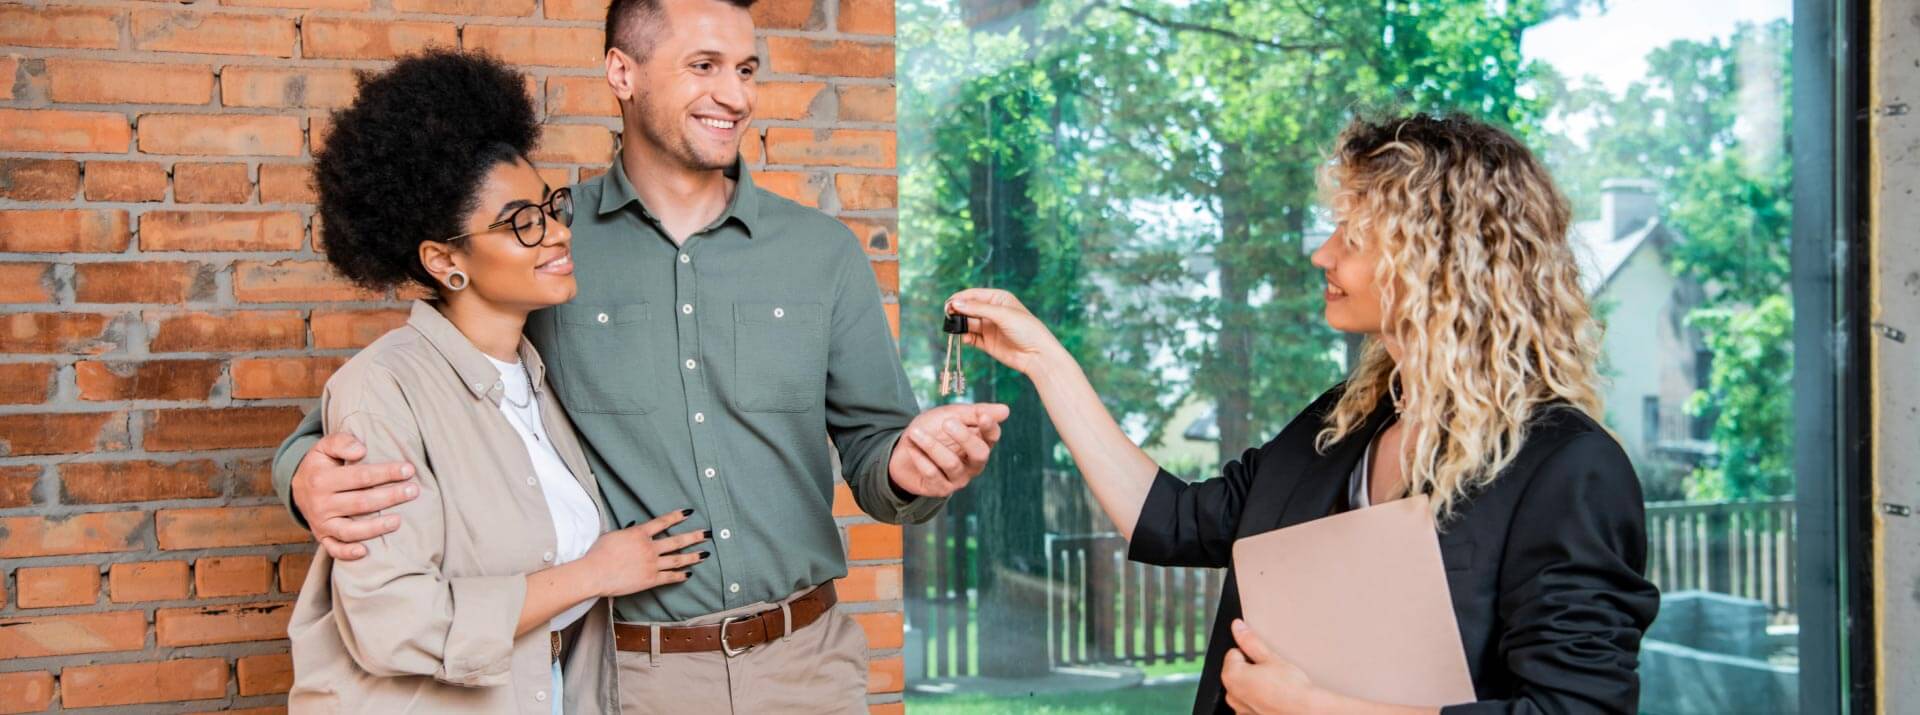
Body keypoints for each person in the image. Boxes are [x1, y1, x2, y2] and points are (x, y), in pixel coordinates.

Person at [270, 0, 1010, 710]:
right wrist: (300, 468)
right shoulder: (548, 250)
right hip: (630, 677)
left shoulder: (822, 254)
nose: (734, 95)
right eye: (705, 65)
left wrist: (910, 468)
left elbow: (879, 453)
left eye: (746, 70)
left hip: (807, 666)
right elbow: (423, 379)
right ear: (622, 73)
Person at [945, 113, 1660, 714]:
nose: (1323, 252)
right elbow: (1173, 520)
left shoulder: (1568, 467)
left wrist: (1312, 708)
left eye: (1352, 236)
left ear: (1438, 259)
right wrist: (1045, 360)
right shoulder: (1342, 424)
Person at [283, 50, 709, 714]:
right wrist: (596, 571)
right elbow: (391, 620)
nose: (557, 233)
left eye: (551, 207)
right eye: (521, 222)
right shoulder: (385, 390)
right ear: (446, 260)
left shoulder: (538, 380)